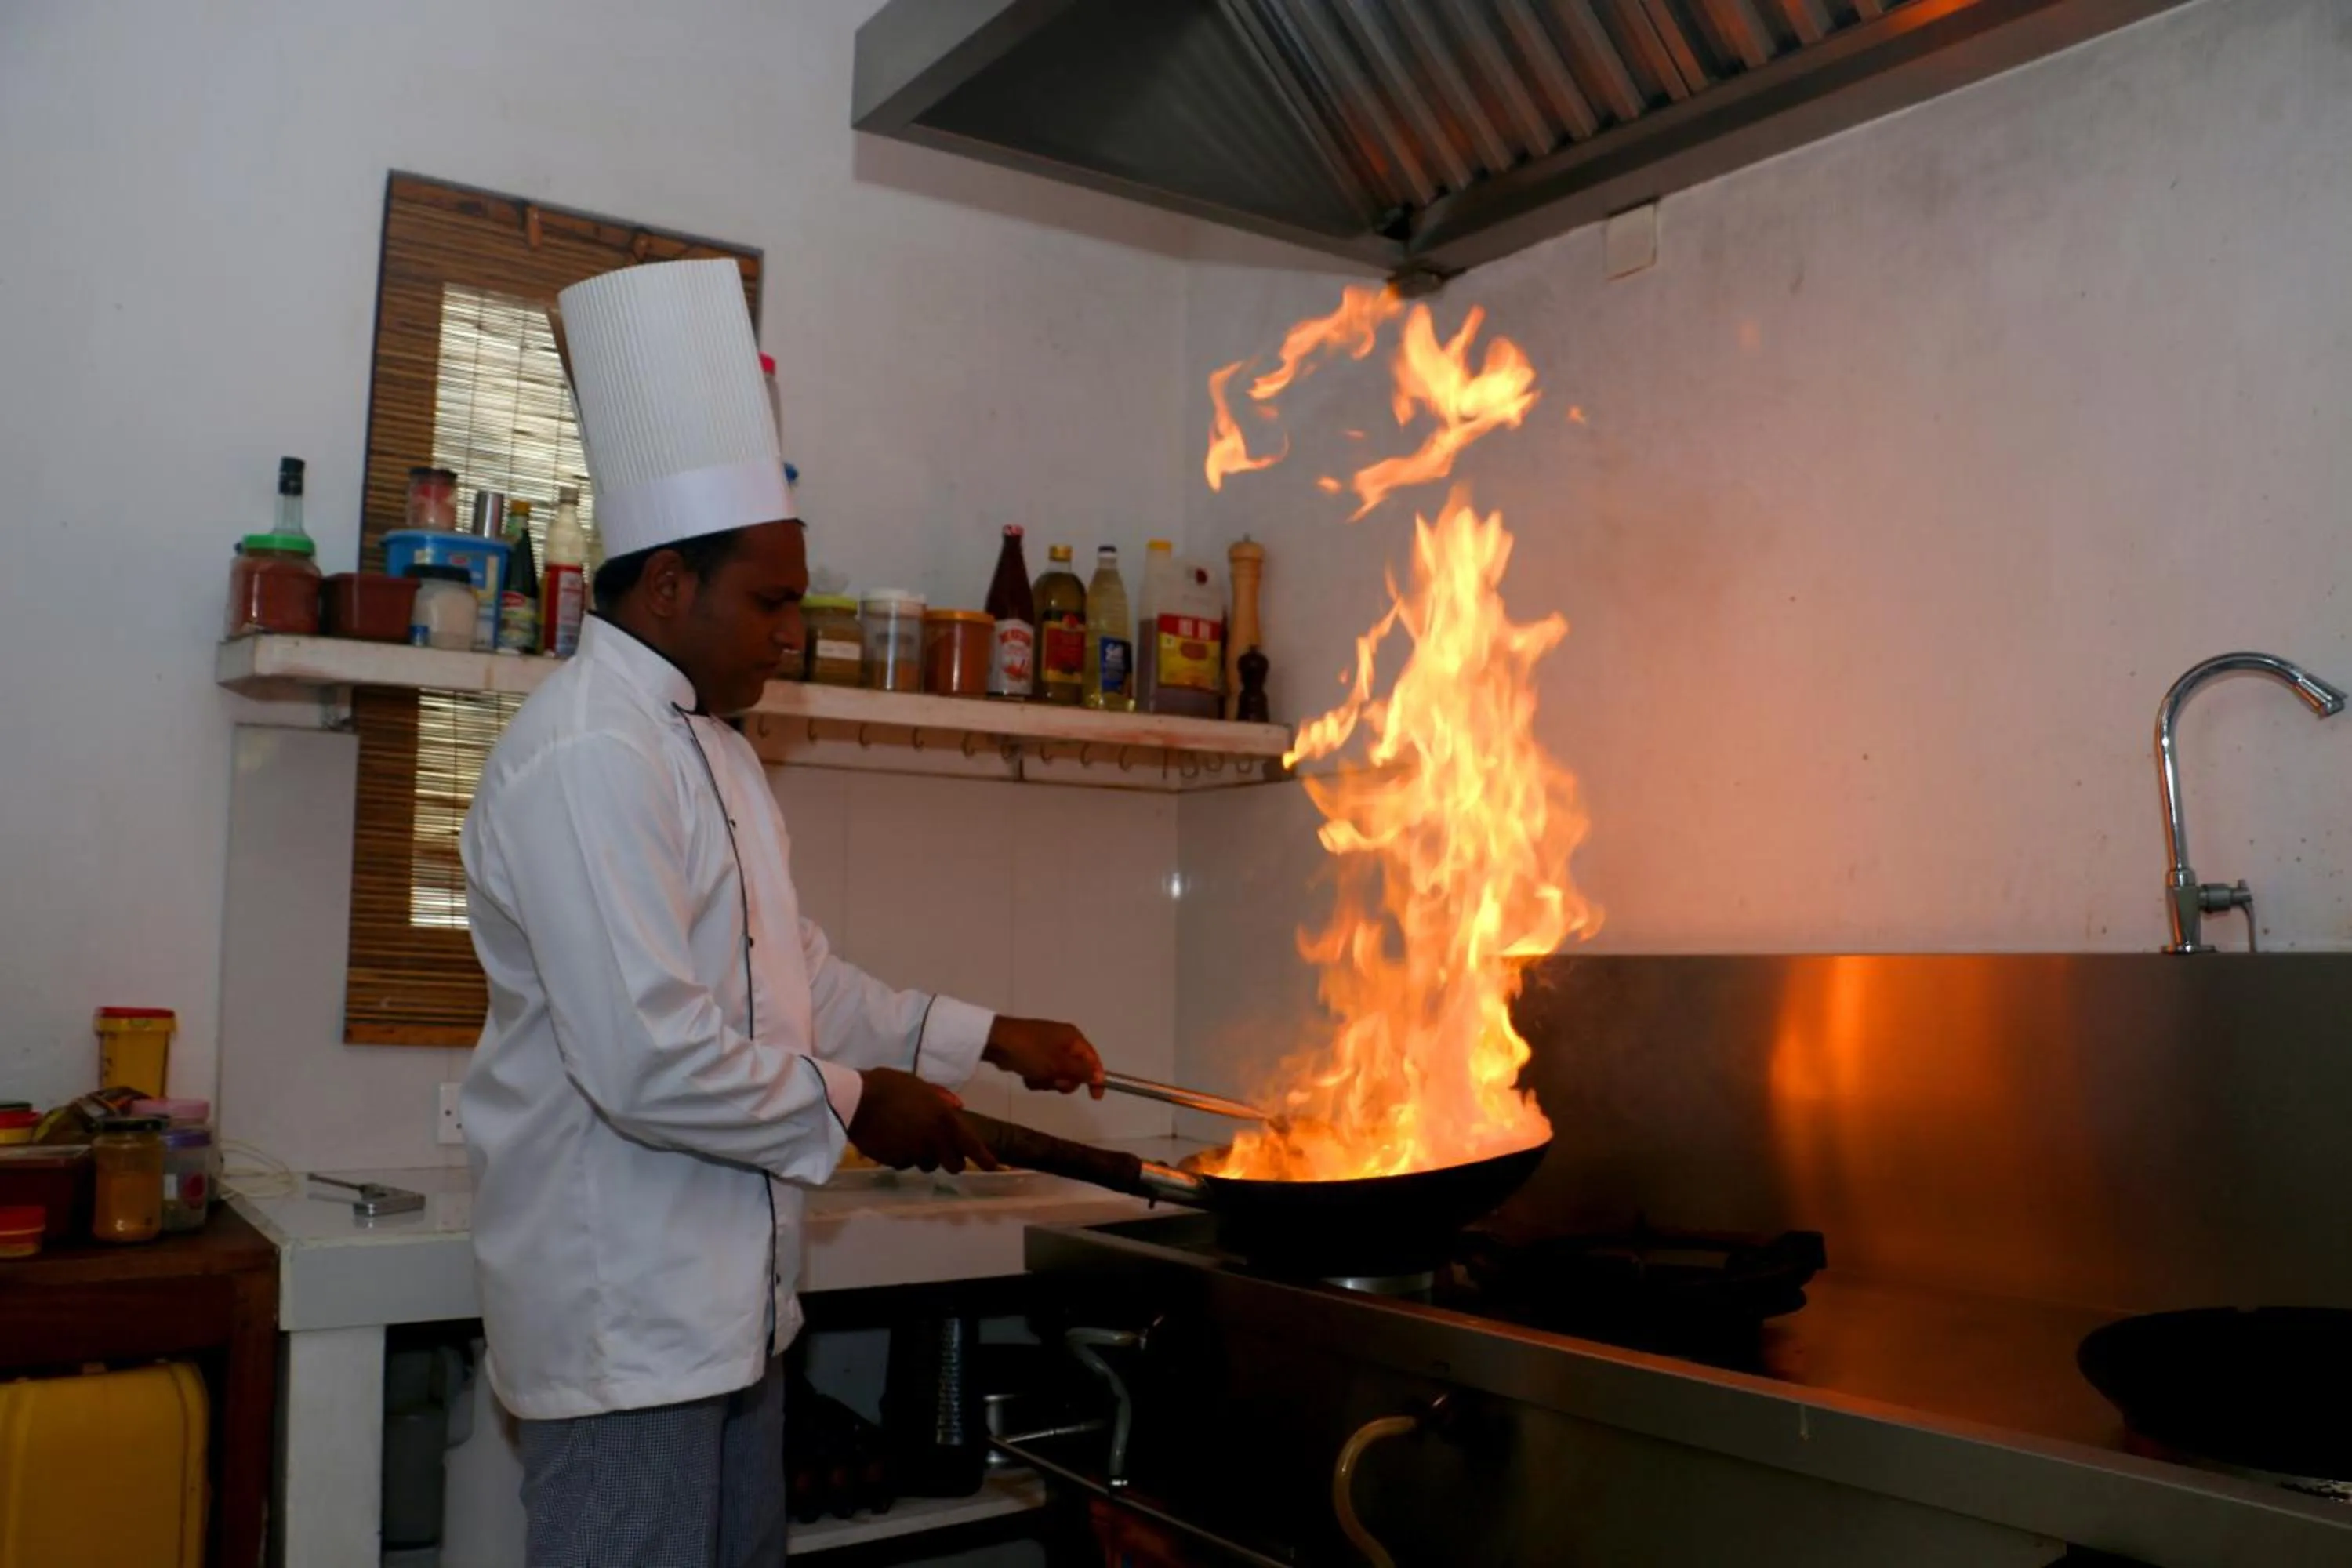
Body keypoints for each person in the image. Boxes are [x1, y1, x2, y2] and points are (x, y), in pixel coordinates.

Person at [459, 258, 1102, 1568]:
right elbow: (647, 1058)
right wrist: (866, 1105)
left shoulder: (719, 750)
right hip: (628, 1335)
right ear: (665, 588)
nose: (792, 634)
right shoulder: (588, 756)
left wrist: (986, 1038)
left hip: (735, 1325)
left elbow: (794, 981)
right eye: (769, 601)